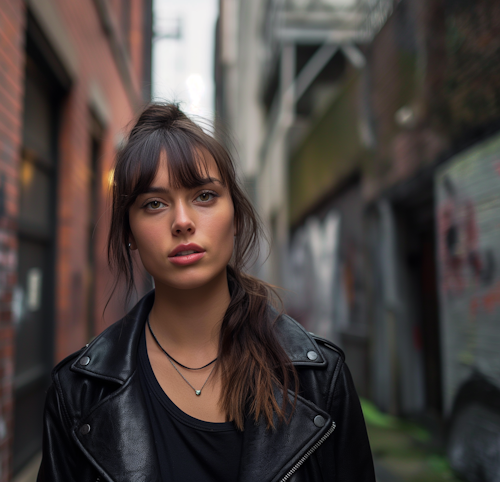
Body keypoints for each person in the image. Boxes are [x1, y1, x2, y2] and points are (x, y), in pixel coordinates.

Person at [37, 104, 375, 481]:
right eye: (154, 204)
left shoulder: (319, 381)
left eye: (204, 196)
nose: (182, 222)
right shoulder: (78, 394)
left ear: (235, 217)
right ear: (129, 233)